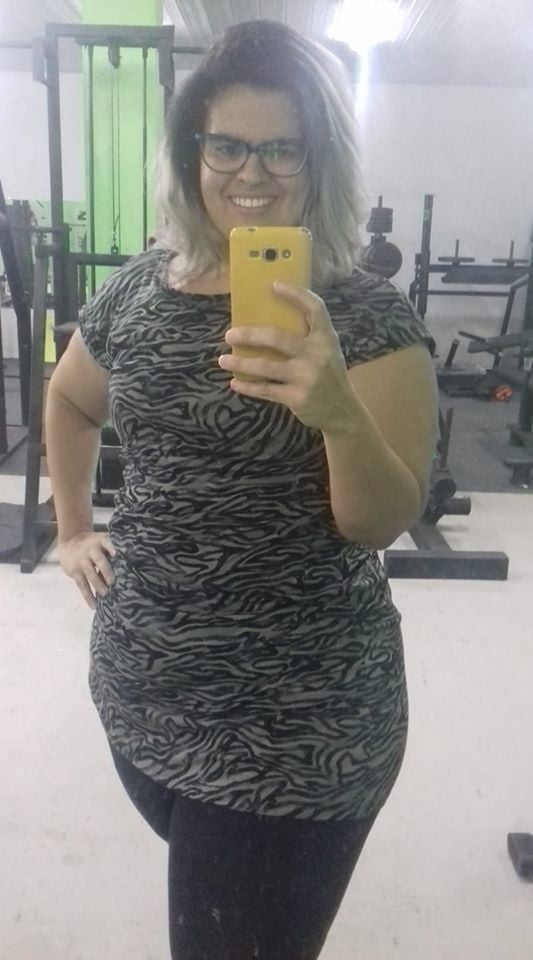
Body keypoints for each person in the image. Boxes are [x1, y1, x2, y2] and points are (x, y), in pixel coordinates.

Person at [45, 18, 438, 960]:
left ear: (319, 161)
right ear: (193, 153)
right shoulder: (138, 289)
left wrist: (337, 410)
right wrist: (72, 529)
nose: (250, 173)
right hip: (140, 692)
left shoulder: (369, 317)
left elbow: (377, 522)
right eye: (226, 145)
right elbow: (68, 398)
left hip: (295, 728)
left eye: (281, 149)